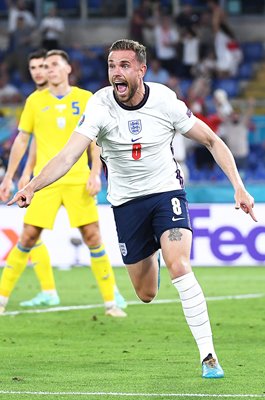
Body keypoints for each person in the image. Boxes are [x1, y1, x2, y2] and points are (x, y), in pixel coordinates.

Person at [7, 40, 257, 378]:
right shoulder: (100, 106)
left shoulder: (165, 101)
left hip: (166, 192)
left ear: (141, 70)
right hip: (126, 204)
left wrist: (239, 186)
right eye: (111, 66)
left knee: (180, 264)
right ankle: (152, 251)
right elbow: (68, 156)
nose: (115, 73)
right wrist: (32, 186)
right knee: (146, 293)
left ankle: (209, 355)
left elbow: (212, 140)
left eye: (124, 65)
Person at [0, 49, 127, 317]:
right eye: (46, 66)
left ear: (68, 68)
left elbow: (95, 139)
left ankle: (110, 303)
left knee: (92, 236)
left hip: (78, 179)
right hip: (44, 182)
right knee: (28, 237)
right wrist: (12, 176)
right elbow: (24, 140)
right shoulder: (35, 101)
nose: (49, 70)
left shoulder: (85, 98)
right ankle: (1, 300)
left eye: (55, 65)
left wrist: (95, 172)